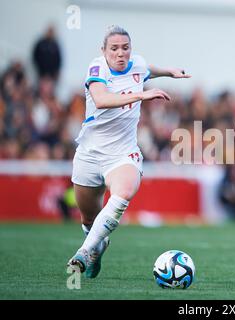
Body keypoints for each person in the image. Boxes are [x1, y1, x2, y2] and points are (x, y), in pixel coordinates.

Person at [67, 25, 190, 278]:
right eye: (114, 49)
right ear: (103, 51)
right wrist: (141, 95)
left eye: (125, 48)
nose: (120, 54)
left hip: (123, 153)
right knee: (89, 219)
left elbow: (146, 69)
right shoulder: (97, 67)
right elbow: (101, 99)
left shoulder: (138, 64)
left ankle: (84, 253)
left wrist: (169, 72)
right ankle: (98, 245)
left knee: (122, 194)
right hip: (90, 153)